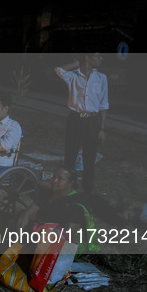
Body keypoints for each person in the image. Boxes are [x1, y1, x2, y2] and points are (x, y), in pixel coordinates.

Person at [55, 52, 108, 194]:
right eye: (97, 56)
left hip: (92, 121)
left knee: (89, 158)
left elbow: (104, 104)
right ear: (88, 58)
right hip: (75, 119)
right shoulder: (73, 76)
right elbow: (58, 70)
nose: (101, 59)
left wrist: (102, 128)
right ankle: (69, 188)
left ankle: (87, 191)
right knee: (70, 156)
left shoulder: (101, 78)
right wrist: (76, 64)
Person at [16, 167, 98, 254]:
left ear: (71, 182)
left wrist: (36, 246)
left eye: (60, 179)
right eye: (54, 177)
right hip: (47, 234)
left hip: (69, 243)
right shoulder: (48, 194)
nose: (54, 181)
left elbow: (65, 235)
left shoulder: (76, 205)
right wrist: (19, 241)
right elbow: (27, 214)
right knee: (14, 222)